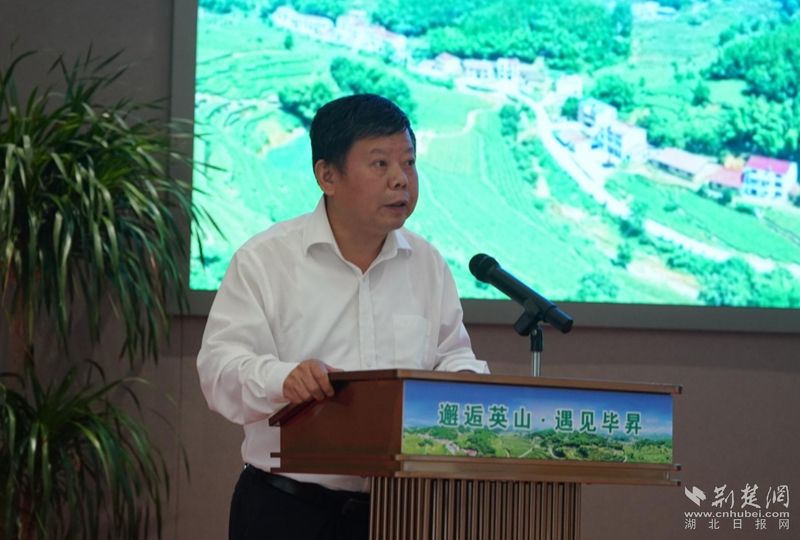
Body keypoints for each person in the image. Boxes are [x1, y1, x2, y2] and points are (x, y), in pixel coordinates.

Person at [197, 93, 489, 540]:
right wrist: (285, 379)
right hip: (288, 511)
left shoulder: (427, 263)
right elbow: (219, 370)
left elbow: (451, 356)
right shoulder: (266, 259)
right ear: (327, 176)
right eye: (380, 164)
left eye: (409, 163)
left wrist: (469, 385)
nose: (401, 179)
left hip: (397, 513)